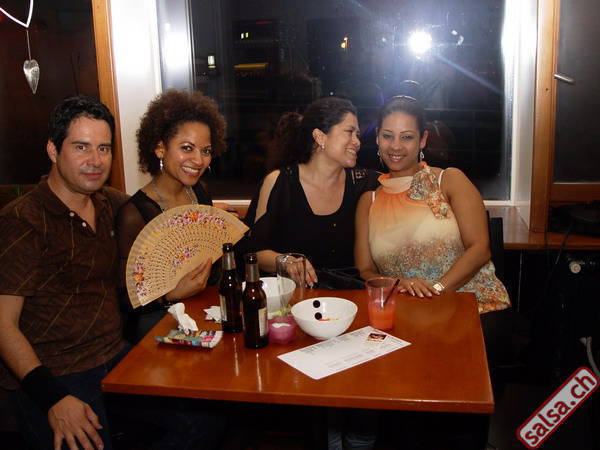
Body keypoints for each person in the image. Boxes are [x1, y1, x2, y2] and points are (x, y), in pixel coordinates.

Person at [354, 95, 511, 447]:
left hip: (474, 309)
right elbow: (365, 268)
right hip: (407, 315)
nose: (396, 146)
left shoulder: (449, 180)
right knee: (399, 417)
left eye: (407, 137)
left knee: (449, 417)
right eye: (388, 136)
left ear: (423, 139)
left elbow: (480, 248)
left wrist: (437, 289)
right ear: (377, 138)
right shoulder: (369, 201)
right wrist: (398, 283)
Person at [0, 95, 128, 450]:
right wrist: (52, 398)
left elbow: (158, 211)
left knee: (205, 416)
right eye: (81, 147)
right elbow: (2, 325)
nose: (95, 161)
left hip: (115, 356)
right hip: (55, 373)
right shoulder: (22, 220)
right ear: (53, 150)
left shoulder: (110, 203)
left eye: (104, 148)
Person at [116, 89, 227, 343]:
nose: (198, 160)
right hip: (156, 325)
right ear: (159, 148)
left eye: (206, 150)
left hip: (203, 312)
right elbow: (125, 300)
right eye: (187, 148)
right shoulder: (133, 214)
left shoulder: (200, 192)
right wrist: (172, 294)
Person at [245, 96, 380, 287]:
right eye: (349, 132)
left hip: (350, 296)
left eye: (357, 135)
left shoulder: (364, 182)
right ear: (320, 136)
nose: (357, 142)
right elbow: (255, 251)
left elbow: (403, 182)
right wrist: (286, 261)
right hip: (297, 296)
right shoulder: (280, 182)